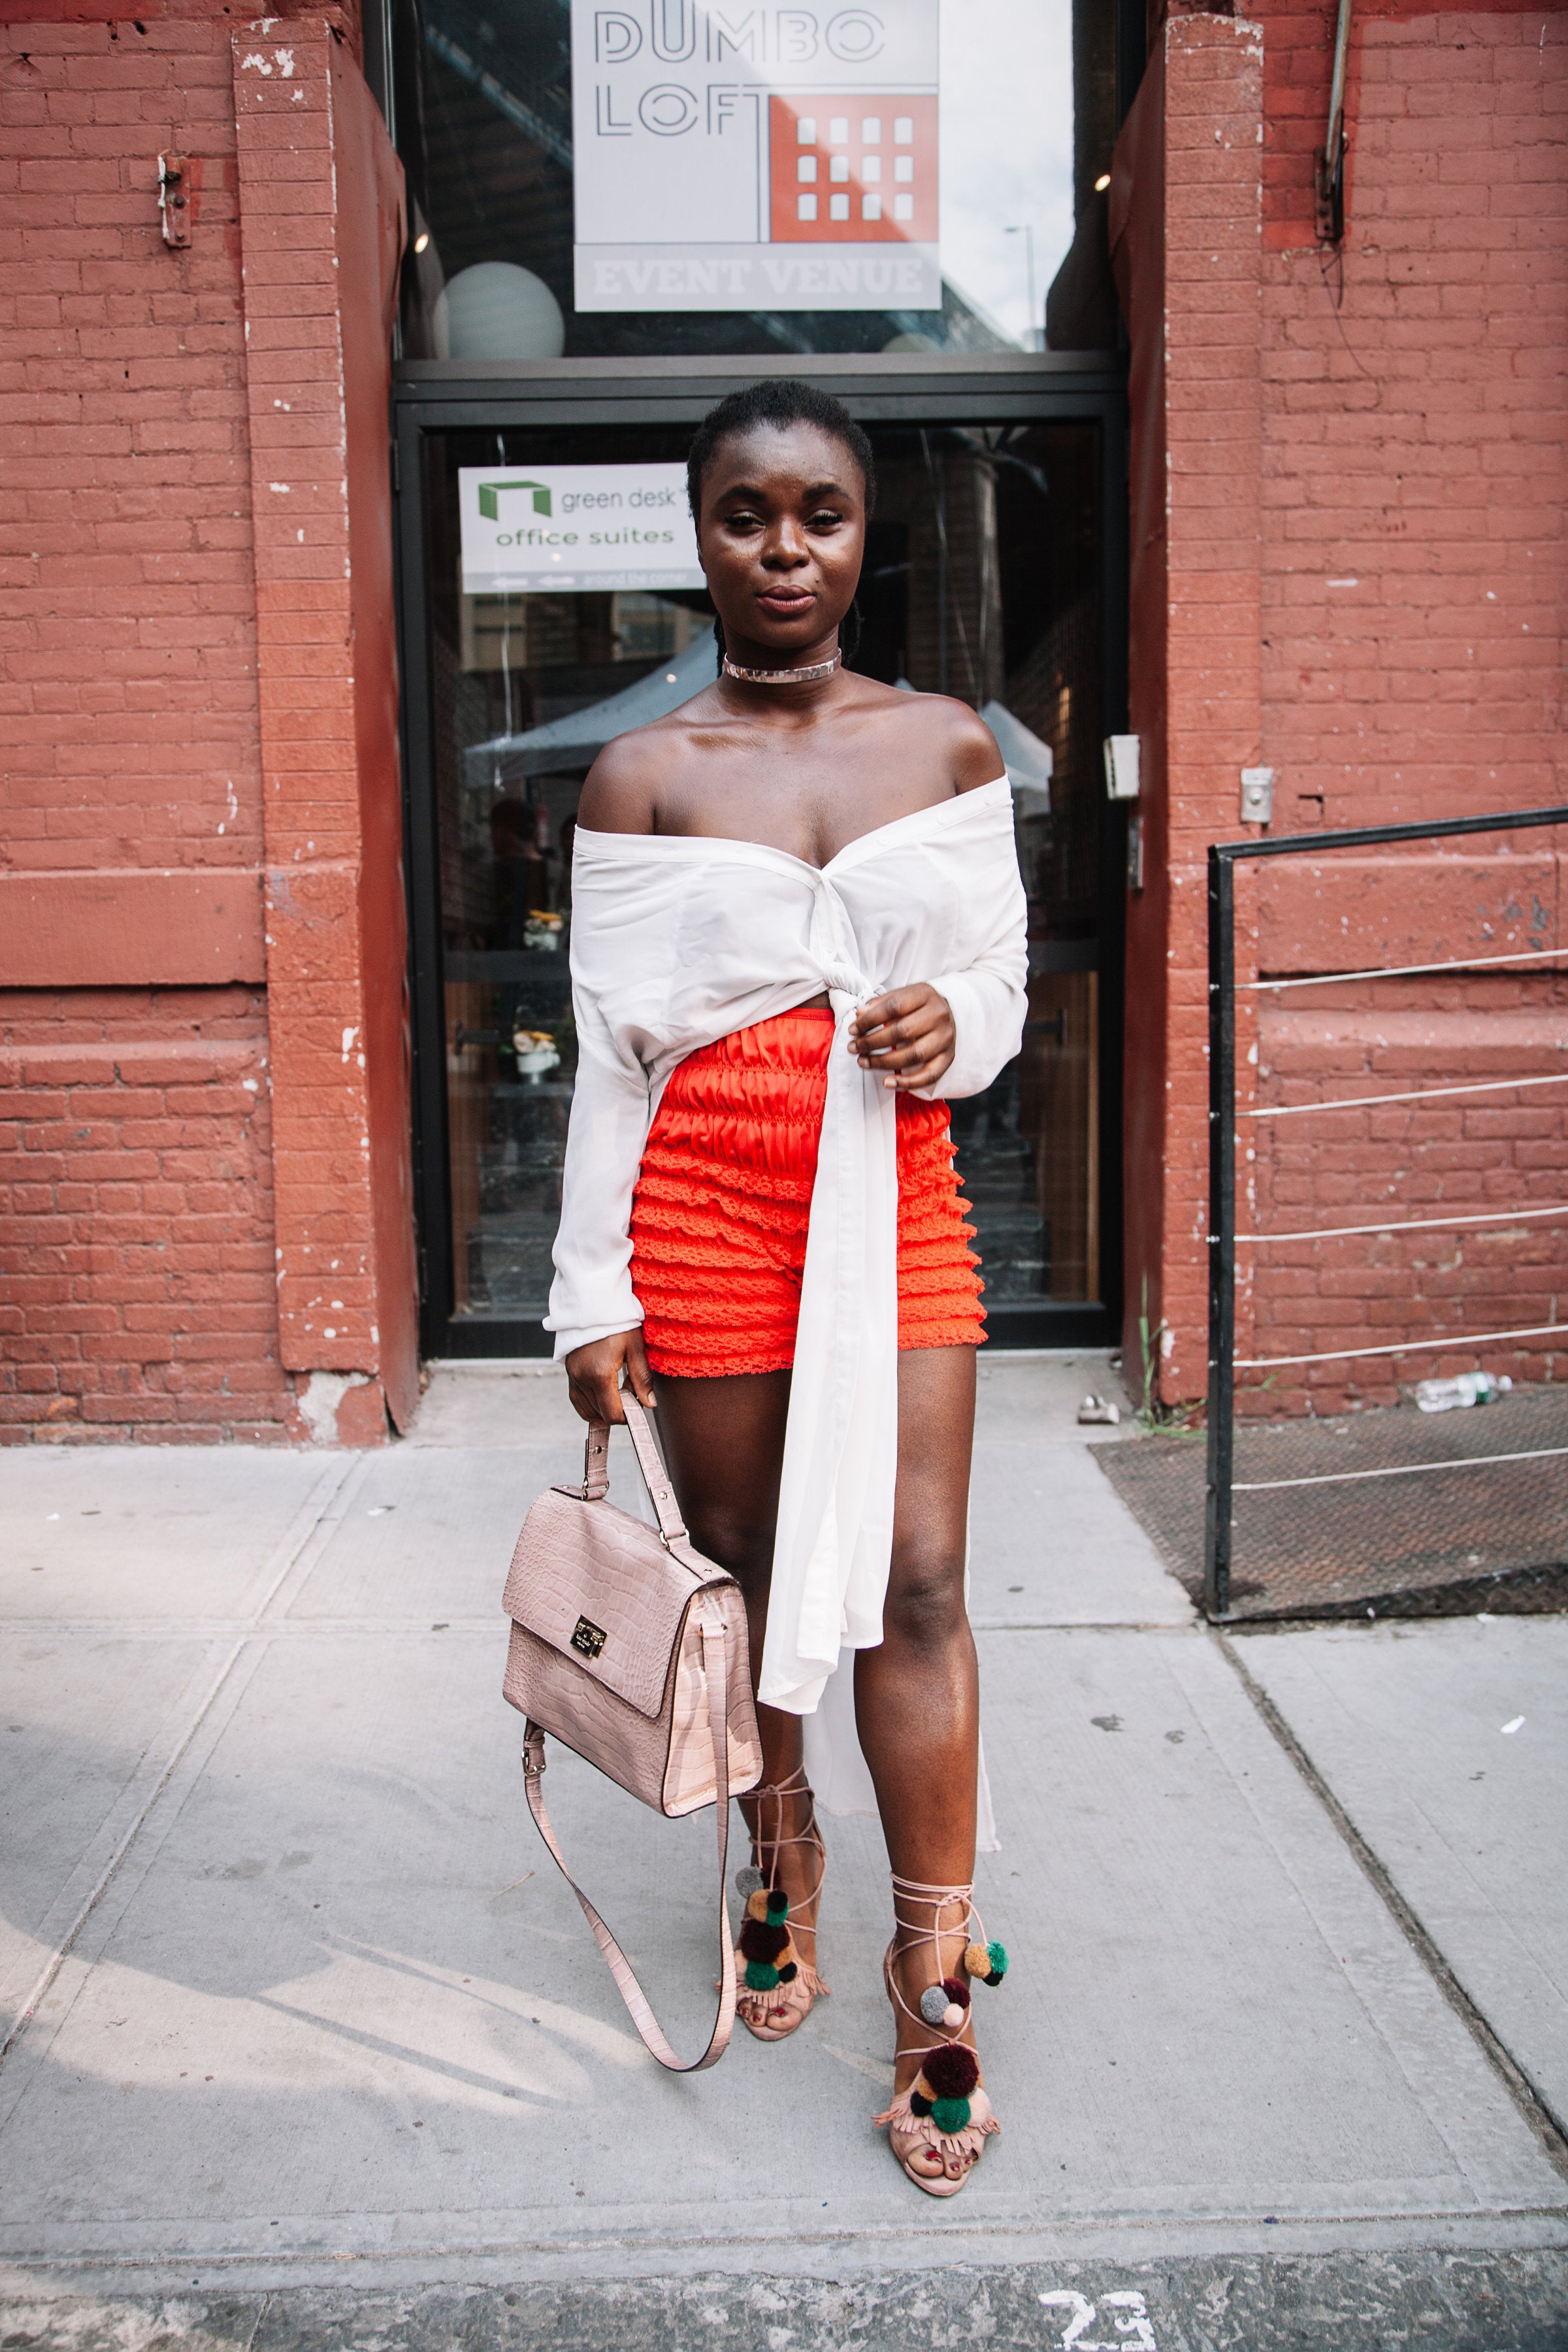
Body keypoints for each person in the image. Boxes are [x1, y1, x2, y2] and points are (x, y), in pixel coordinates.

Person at [546, 380, 1026, 2196]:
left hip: (889, 1196)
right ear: (700, 535)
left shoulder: (949, 747)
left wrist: (952, 1022)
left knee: (916, 1574)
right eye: (746, 515)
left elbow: (996, 984)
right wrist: (589, 1296)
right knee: (745, 1586)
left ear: (864, 530)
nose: (784, 550)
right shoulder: (644, 773)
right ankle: (783, 1844)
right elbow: (610, 1058)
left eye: (818, 515)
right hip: (707, 1210)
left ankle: (928, 1965)